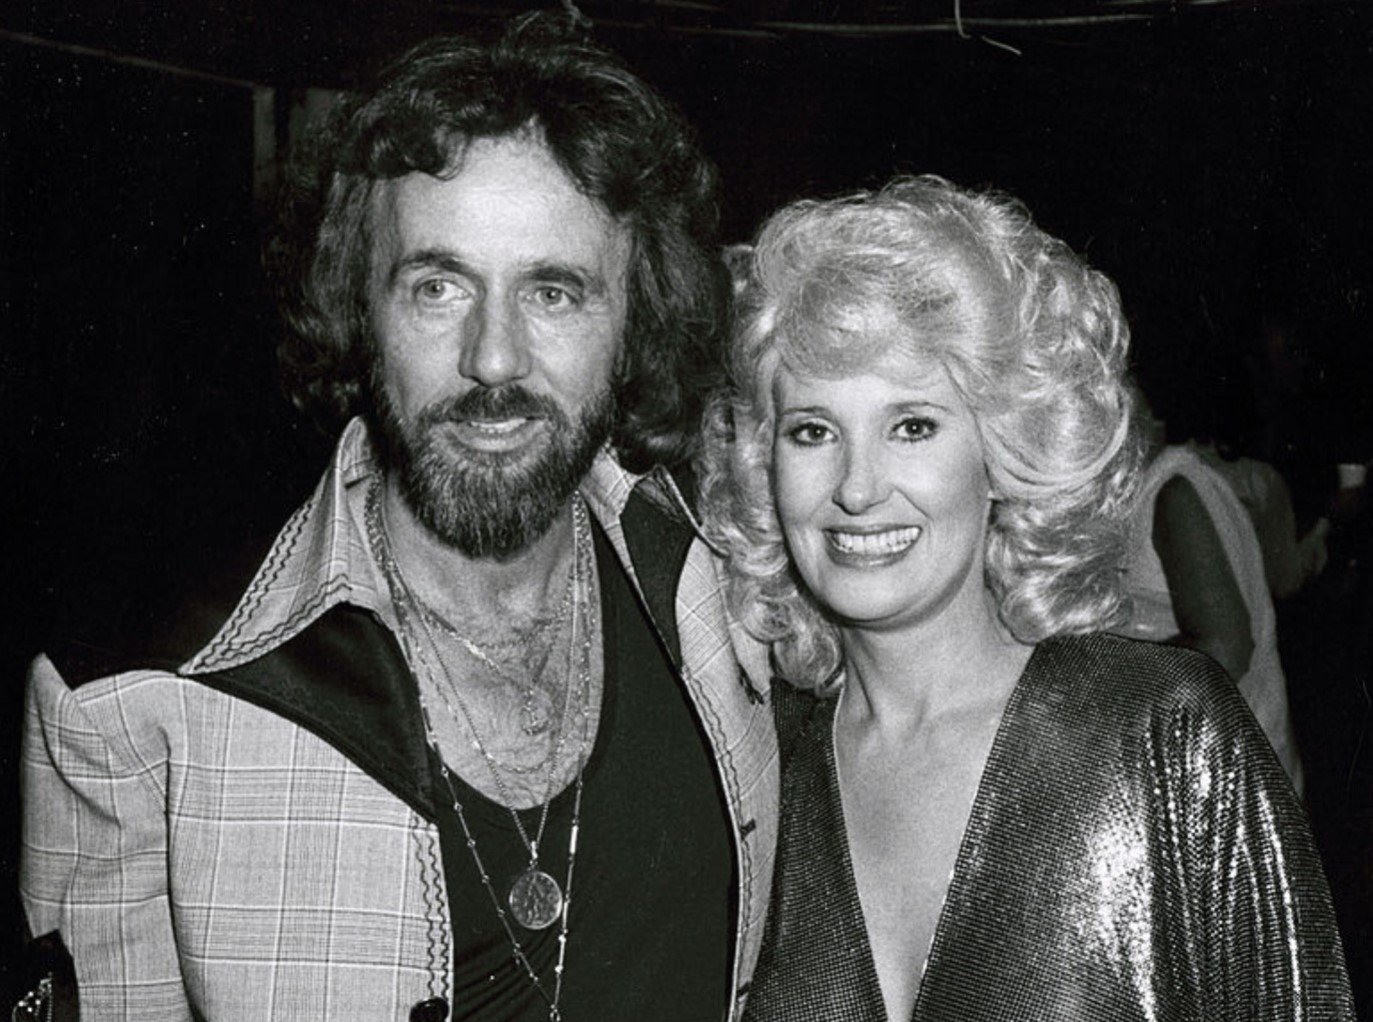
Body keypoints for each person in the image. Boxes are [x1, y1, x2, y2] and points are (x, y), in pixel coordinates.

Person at [17, 13, 776, 1021]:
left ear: (634, 317)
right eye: (437, 286)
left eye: (553, 292)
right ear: (359, 306)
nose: (493, 359)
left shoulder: (730, 573)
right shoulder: (139, 702)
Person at [698, 176, 1354, 1021]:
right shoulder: (754, 778)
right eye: (812, 431)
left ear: (1003, 451)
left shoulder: (1162, 734)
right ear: (764, 464)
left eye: (912, 426)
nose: (856, 488)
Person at [1115, 389, 1306, 792]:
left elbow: (1226, 649)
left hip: (1232, 782)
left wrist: (1101, 689)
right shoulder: (1152, 489)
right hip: (1211, 771)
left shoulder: (1174, 494)